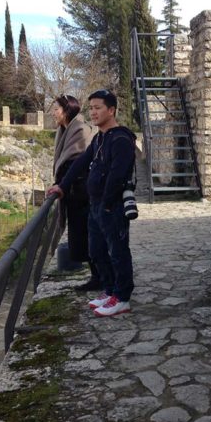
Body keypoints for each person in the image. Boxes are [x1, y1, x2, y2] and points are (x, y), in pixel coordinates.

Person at [48, 90, 136, 317]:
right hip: (95, 206)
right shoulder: (98, 138)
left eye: (98, 108)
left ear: (111, 110)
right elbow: (80, 164)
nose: (93, 112)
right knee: (96, 251)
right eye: (91, 108)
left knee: (117, 252)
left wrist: (107, 203)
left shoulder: (121, 139)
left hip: (111, 207)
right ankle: (109, 291)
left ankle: (122, 297)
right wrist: (62, 186)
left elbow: (118, 175)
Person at [49, 94, 101, 291]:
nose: (54, 112)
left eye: (56, 109)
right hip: (72, 193)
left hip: (82, 193)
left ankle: (99, 277)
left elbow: (75, 162)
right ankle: (96, 277)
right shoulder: (63, 131)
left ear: (67, 110)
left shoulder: (79, 129)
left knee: (88, 237)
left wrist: (62, 184)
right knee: (80, 237)